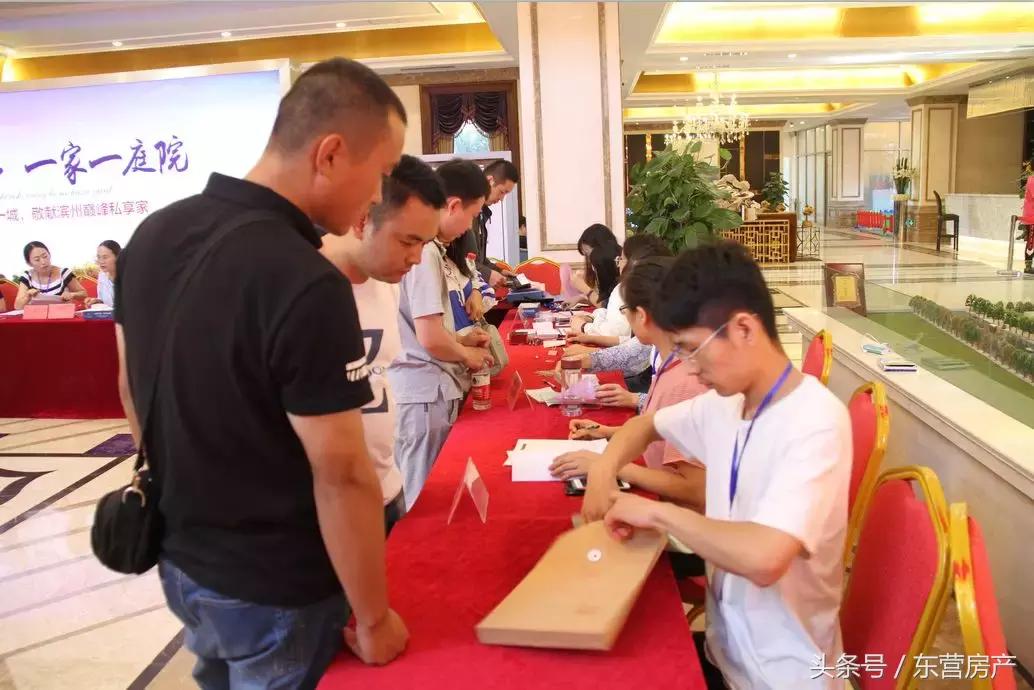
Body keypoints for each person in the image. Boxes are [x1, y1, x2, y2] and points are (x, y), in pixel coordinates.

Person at [114, 57, 411, 687]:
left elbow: (131, 390)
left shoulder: (152, 234)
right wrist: (374, 616)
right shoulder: (304, 277)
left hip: (183, 559)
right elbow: (342, 472)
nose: (376, 198)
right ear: (330, 153)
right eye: (380, 174)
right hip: (277, 582)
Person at [565, 241, 851, 690]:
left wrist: (657, 513)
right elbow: (644, 426)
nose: (690, 368)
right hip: (727, 648)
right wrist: (604, 470)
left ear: (743, 329)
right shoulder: (727, 403)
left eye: (693, 349)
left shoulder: (814, 421)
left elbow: (764, 558)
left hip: (780, 673)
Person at [319, 154, 446, 534]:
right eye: (408, 241)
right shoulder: (301, 286)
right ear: (362, 220)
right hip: (328, 510)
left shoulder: (386, 284)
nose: (416, 258)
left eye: (424, 244)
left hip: (387, 489)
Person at [550, 257, 708, 512]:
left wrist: (610, 466)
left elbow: (695, 490)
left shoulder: (685, 382)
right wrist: (607, 431)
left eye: (625, 310)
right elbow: (663, 429)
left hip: (684, 524)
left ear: (642, 316)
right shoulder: (671, 362)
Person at [388, 159, 494, 510]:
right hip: (423, 390)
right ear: (453, 206)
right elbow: (429, 337)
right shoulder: (426, 252)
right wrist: (468, 355)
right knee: (421, 499)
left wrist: (461, 341)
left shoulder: (431, 251)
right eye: (473, 215)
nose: (470, 226)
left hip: (425, 388)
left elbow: (425, 327)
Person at [569, 234, 672, 342]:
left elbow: (617, 333)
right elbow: (609, 312)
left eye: (621, 259)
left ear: (633, 262)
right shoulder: (664, 287)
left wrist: (584, 327)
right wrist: (591, 318)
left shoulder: (628, 288)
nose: (618, 264)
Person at [460, 159, 520, 287]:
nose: (502, 199)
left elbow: (478, 259)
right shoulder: (467, 212)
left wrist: (498, 271)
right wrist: (488, 274)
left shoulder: (482, 214)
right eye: (502, 192)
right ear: (490, 181)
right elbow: (462, 260)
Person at [14, 241, 88, 309]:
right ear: (29, 263)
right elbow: (18, 306)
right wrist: (27, 296)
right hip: (37, 317)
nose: (43, 262)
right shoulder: (27, 277)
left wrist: (72, 294)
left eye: (45, 256)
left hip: (62, 316)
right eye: (37, 260)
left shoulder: (64, 273)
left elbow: (84, 294)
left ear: (49, 254)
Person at [568, 223, 620, 304]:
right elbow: (604, 300)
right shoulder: (609, 269)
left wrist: (584, 288)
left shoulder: (621, 274)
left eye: (589, 254)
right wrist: (581, 299)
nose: (590, 260)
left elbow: (607, 306)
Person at [86, 240, 121, 308]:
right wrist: (96, 301)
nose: (101, 261)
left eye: (105, 257)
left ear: (118, 257)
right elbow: (103, 302)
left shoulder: (129, 276)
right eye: (99, 257)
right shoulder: (102, 276)